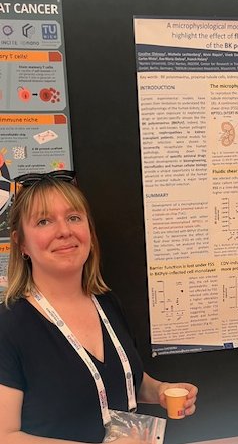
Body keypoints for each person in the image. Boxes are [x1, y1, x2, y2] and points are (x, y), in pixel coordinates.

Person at [0, 170, 198, 444]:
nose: (64, 231)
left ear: (89, 232)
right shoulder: (9, 327)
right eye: (44, 221)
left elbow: (118, 378)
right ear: (21, 242)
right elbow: (5, 436)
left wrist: (159, 391)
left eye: (74, 217)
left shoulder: (106, 303)